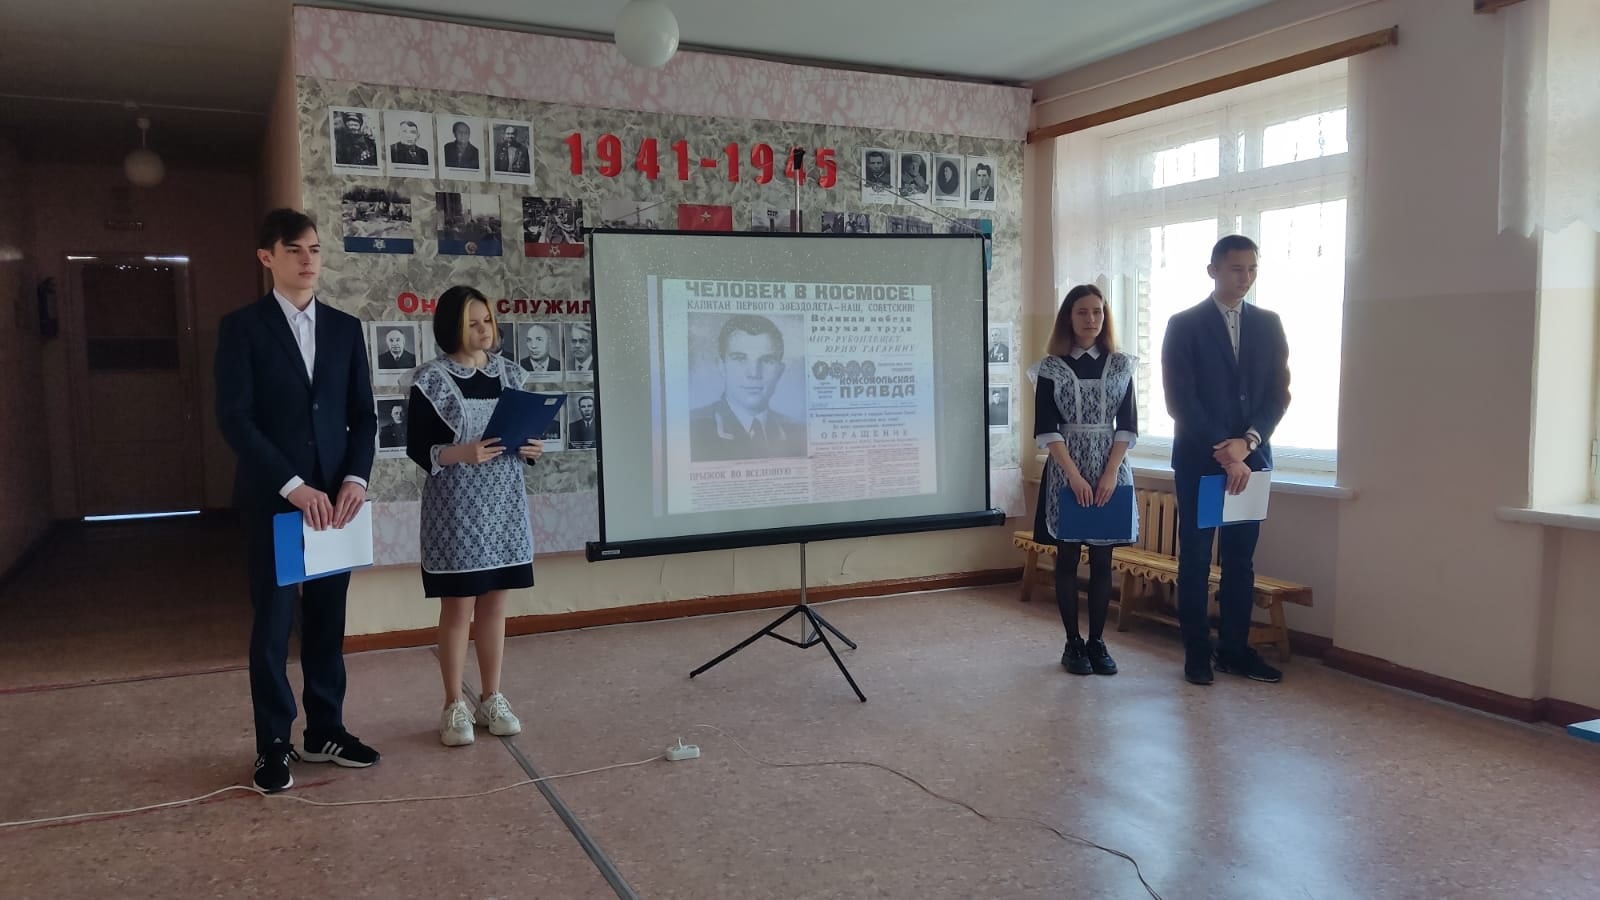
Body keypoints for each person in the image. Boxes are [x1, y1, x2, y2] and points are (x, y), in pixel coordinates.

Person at [215, 209, 380, 792]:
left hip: (336, 505)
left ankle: (325, 730)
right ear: (268, 258)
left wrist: (355, 479)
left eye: (314, 249)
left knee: (328, 622)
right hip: (276, 502)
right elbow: (236, 419)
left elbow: (364, 416)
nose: (308, 260)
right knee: (273, 626)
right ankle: (274, 745)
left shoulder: (344, 328)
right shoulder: (242, 328)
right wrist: (292, 485)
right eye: (294, 250)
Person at [406, 286, 544, 746]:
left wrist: (532, 448)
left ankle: (491, 696)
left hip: (504, 506)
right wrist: (461, 453)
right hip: (456, 510)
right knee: (458, 605)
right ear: (452, 327)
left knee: (496, 603)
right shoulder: (430, 380)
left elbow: (522, 437)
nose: (484, 330)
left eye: (487, 321)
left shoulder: (512, 375)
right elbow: (417, 448)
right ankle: (453, 704)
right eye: (473, 323)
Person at [1161, 234, 1291, 686]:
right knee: (1196, 559)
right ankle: (1197, 653)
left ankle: (1235, 650)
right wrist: (1225, 448)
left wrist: (1247, 444)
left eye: (1252, 269)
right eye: (1237, 269)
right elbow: (1181, 400)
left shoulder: (1269, 324)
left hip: (1251, 461)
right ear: (1213, 270)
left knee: (1240, 560)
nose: (1245, 277)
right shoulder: (1184, 324)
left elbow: (1278, 394)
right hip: (1200, 461)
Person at [1032, 285, 1138, 675]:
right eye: (1082, 312)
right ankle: (1072, 643)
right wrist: (1074, 476)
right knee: (1067, 557)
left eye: (1097, 311)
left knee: (1103, 560)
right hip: (1066, 471)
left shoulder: (1121, 365)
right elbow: (1047, 428)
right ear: (1069, 317)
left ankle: (1097, 641)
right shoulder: (1051, 367)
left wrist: (1110, 473)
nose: (1091, 319)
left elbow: (1127, 426)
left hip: (1111, 469)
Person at [689, 314, 805, 461]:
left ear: (780, 371)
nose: (754, 374)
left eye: (767, 360)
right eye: (740, 359)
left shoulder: (799, 431)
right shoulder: (693, 427)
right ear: (722, 367)